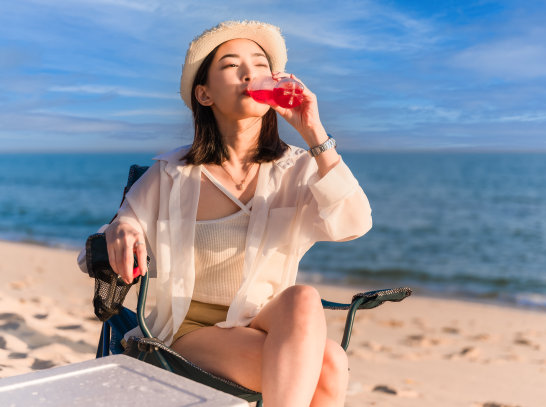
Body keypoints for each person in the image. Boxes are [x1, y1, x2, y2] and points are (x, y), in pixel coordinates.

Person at [81, 20, 371, 406]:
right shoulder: (171, 174)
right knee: (329, 364)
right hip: (186, 331)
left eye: (261, 64)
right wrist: (122, 229)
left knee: (303, 297)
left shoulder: (299, 169)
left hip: (267, 321)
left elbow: (355, 224)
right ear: (204, 94)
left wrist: (314, 131)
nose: (251, 72)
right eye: (232, 65)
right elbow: (108, 240)